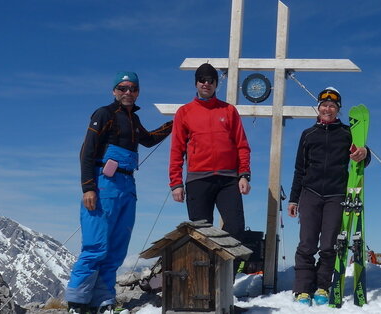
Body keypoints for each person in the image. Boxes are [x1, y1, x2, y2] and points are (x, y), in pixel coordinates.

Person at [66, 72, 173, 314]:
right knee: (96, 246)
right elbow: (87, 152)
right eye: (123, 88)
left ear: (137, 92)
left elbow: (148, 140)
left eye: (133, 88)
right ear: (114, 91)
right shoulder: (103, 114)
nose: (128, 92)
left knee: (116, 249)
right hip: (104, 184)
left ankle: (103, 301)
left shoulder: (133, 120)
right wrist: (88, 188)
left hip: (127, 186)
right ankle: (77, 303)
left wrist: (176, 123)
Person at [287, 87, 369, 306]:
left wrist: (365, 153)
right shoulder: (308, 135)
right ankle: (303, 289)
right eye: (324, 105)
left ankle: (323, 285)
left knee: (329, 245)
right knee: (307, 244)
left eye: (332, 106)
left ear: (338, 110)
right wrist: (294, 199)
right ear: (318, 108)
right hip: (310, 193)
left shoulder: (346, 133)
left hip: (336, 194)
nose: (328, 108)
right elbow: (299, 169)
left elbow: (361, 155)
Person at [168, 63, 251, 242]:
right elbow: (177, 150)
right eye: (201, 80)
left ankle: (224, 267)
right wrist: (176, 183)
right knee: (201, 234)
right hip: (198, 179)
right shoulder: (184, 112)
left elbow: (242, 145)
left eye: (210, 80)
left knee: (235, 227)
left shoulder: (229, 111)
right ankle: (206, 269)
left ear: (215, 84)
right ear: (196, 83)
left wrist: (244, 174)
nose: (206, 83)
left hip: (228, 180)